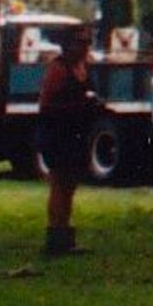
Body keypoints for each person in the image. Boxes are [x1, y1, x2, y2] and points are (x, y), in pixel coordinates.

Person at [35, 28, 103, 258]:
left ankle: (66, 236)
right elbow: (46, 107)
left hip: (75, 134)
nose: (85, 48)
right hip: (56, 133)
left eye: (87, 44)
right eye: (80, 44)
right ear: (69, 46)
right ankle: (55, 237)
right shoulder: (58, 69)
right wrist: (78, 108)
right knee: (59, 184)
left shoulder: (83, 68)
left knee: (70, 185)